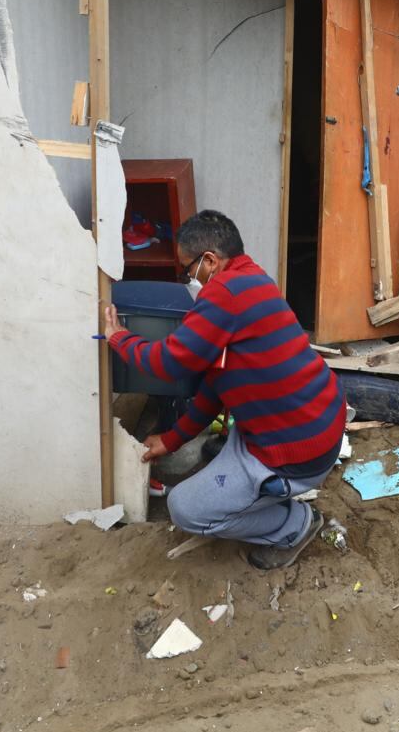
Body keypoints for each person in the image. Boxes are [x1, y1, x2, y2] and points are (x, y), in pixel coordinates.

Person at [101, 210, 345, 569]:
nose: (189, 279)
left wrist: (119, 337)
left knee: (184, 509)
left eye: (188, 270)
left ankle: (296, 525)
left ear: (210, 261)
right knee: (220, 453)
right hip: (317, 422)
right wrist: (172, 439)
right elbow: (218, 383)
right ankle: (258, 489)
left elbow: (169, 362)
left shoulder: (223, 294)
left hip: (296, 451)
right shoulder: (254, 280)